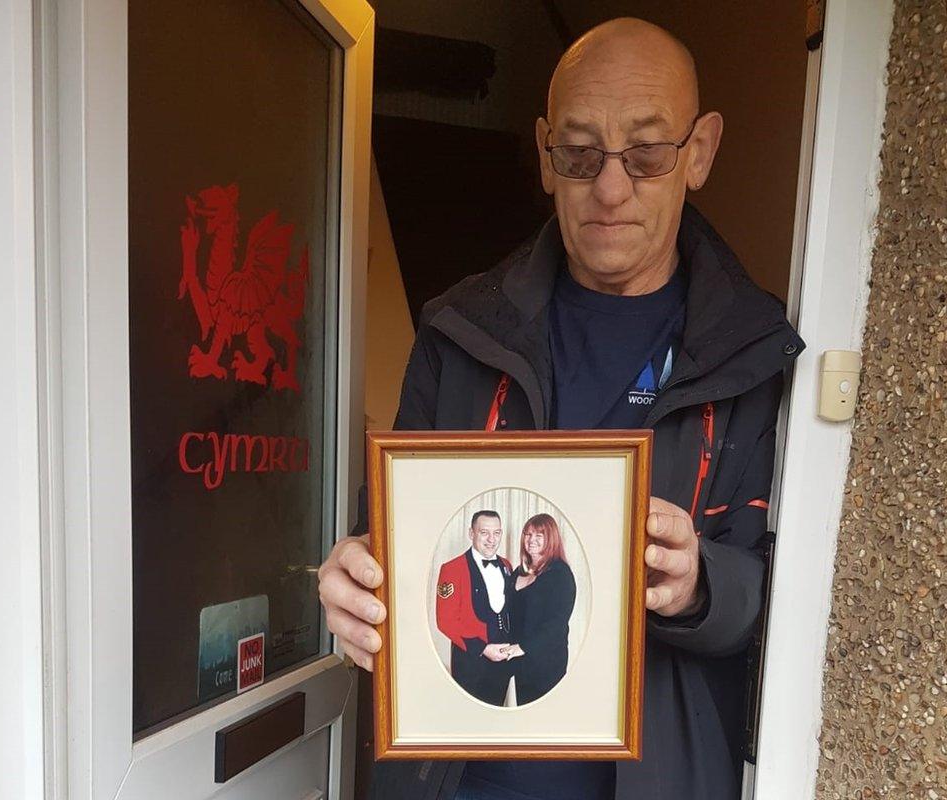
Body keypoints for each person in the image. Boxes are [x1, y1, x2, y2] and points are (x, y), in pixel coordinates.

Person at [318, 16, 806, 800]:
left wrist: (699, 582)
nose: (610, 188)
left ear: (701, 150)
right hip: (451, 775)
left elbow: (776, 601)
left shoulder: (754, 356)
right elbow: (389, 540)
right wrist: (354, 583)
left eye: (645, 153)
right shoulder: (460, 333)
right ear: (546, 154)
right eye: (579, 154)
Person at [435, 510, 516, 705]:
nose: (491, 539)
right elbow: (445, 621)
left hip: (503, 665)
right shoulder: (452, 569)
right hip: (471, 666)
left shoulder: (506, 565)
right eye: (484, 533)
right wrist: (483, 648)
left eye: (497, 533)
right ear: (472, 533)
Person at [506, 513, 575, 705]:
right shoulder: (518, 572)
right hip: (520, 664)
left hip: (546, 664)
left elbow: (557, 624)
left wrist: (524, 647)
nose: (531, 540)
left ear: (550, 538)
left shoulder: (560, 574)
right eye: (528, 534)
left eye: (539, 535)